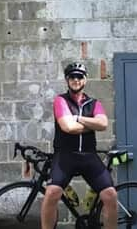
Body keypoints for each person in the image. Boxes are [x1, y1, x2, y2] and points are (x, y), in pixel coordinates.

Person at [40, 62, 117, 229]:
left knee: (110, 195)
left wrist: (78, 118)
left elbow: (103, 124)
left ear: (85, 80)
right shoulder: (61, 100)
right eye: (72, 77)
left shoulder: (94, 103)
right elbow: (68, 127)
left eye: (79, 76)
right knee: (52, 193)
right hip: (65, 155)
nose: (76, 80)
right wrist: (91, 124)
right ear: (67, 80)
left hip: (89, 156)